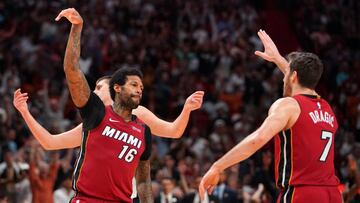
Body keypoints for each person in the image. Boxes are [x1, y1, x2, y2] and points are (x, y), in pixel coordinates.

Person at [199, 30, 342, 203]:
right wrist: (277, 59)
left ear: (294, 76)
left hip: (302, 194)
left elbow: (257, 139)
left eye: (286, 73)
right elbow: (302, 80)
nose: (283, 79)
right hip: (333, 195)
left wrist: (218, 167)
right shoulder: (327, 109)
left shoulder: (288, 105)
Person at [57, 8, 151, 202]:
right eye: (134, 84)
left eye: (141, 87)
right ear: (117, 88)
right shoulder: (96, 113)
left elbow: (142, 180)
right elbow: (72, 70)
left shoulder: (144, 130)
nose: (139, 89)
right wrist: (77, 28)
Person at [12, 76, 203, 150]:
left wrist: (186, 109)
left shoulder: (138, 113)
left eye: (98, 87)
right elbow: (50, 142)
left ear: (114, 89)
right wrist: (25, 112)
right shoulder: (93, 120)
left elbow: (173, 131)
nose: (93, 92)